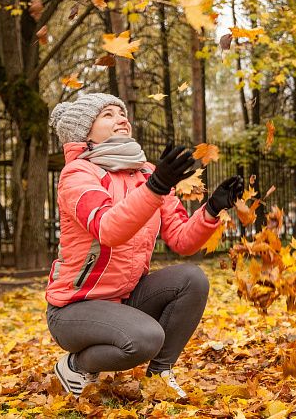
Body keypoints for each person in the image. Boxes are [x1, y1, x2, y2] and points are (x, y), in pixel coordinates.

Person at [45, 93, 244, 398]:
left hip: (125, 299)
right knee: (144, 339)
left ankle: (159, 375)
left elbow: (181, 239)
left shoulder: (147, 173)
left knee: (192, 279)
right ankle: (76, 364)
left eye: (122, 113)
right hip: (74, 308)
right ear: (84, 133)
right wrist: (156, 188)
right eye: (107, 115)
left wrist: (212, 209)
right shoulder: (77, 175)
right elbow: (108, 228)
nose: (121, 119)